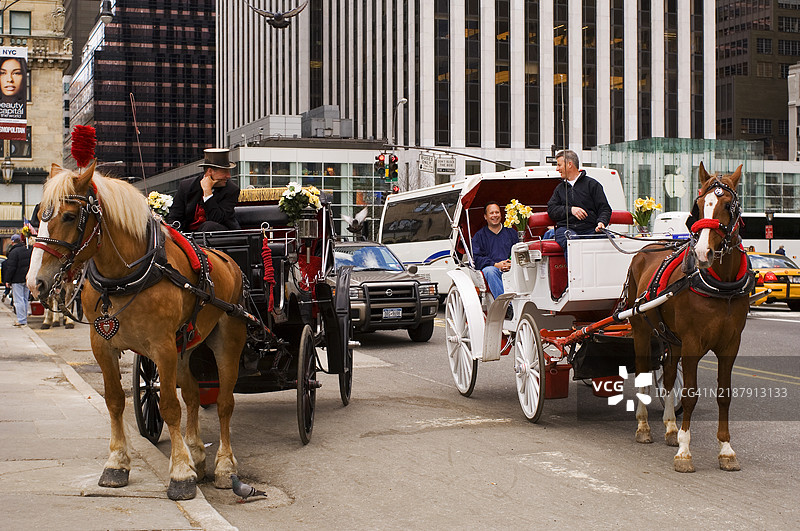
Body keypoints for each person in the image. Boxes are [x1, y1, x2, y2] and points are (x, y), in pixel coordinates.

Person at [546, 150, 612, 256]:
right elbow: (551, 210)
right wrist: (571, 210)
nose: (557, 169)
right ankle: (575, 273)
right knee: (572, 242)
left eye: (559, 165)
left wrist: (601, 222)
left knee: (610, 240)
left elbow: (604, 208)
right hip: (566, 230)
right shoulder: (559, 189)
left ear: (569, 164)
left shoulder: (593, 185)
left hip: (591, 229)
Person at [166, 148, 241, 232]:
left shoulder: (232, 190)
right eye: (224, 172)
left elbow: (218, 218)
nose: (228, 176)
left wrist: (207, 192)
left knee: (209, 226)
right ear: (210, 171)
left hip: (220, 234)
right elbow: (174, 217)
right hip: (189, 237)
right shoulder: (186, 186)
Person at [472, 202, 518, 297]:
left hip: (511, 267)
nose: (495, 215)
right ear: (485, 216)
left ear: (501, 214)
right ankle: (506, 305)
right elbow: (477, 258)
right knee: (490, 271)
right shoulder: (479, 236)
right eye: (491, 213)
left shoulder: (511, 232)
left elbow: (517, 251)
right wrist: (496, 265)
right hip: (493, 269)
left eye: (497, 212)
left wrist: (511, 264)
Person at [4, 233, 32, 326]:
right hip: (26, 278)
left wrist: (7, 280)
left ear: (12, 242)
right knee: (25, 299)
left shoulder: (13, 253)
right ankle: (25, 316)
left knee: (18, 300)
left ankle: (22, 320)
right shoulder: (27, 251)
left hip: (17, 279)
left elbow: (11, 268)